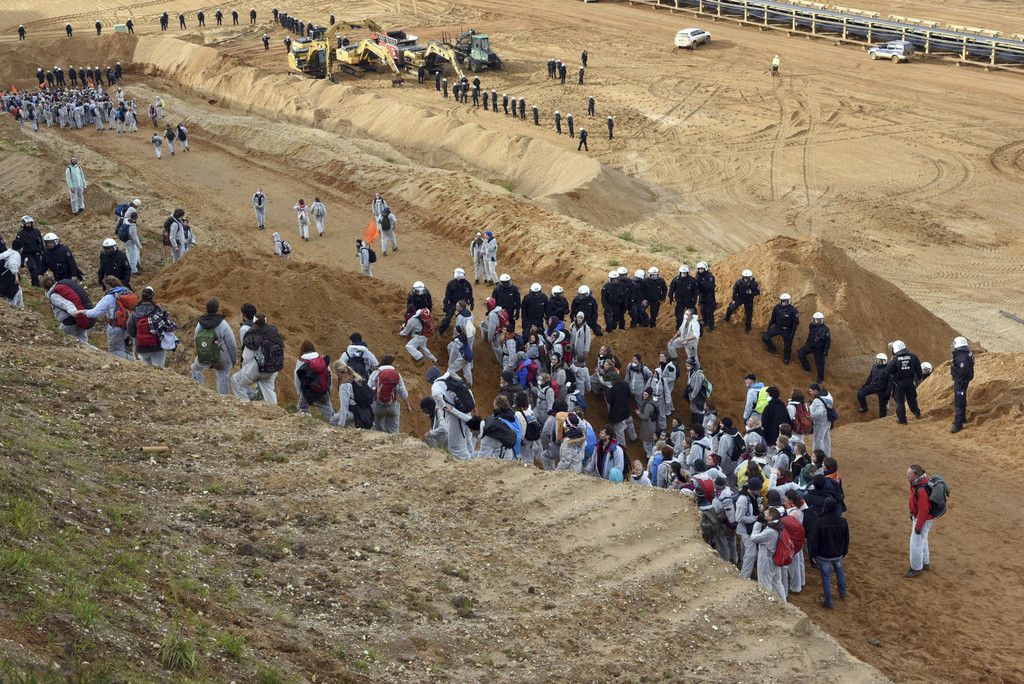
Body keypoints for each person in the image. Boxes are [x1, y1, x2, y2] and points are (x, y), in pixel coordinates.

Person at [187, 298, 238, 393]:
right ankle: (223, 399)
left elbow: (196, 339)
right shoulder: (223, 324)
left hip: (205, 355)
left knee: (195, 368)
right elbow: (231, 343)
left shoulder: (200, 323)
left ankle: (198, 391)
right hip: (221, 358)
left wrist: (201, 353)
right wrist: (233, 359)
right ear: (217, 309)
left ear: (206, 309)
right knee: (223, 374)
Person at [232, 313, 283, 403]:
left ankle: (246, 408)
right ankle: (274, 412)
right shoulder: (273, 332)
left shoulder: (252, 334)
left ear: (253, 321)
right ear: (266, 321)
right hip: (273, 368)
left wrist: (246, 368)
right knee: (268, 390)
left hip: (258, 367)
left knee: (236, 381)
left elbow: (248, 356)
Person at [807, 497, 849, 608]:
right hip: (837, 553)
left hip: (824, 555)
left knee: (826, 577)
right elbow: (846, 538)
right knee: (840, 572)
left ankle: (828, 601)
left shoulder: (819, 522)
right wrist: (844, 551)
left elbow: (815, 541)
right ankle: (843, 593)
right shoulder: (842, 521)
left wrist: (813, 554)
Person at [41, 275, 96, 347]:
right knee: (83, 343)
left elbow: (66, 304)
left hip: (71, 321)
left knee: (61, 338)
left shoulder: (54, 295)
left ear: (45, 288)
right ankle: (95, 354)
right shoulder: (62, 286)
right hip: (83, 317)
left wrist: (74, 312)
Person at [127, 286, 172, 367]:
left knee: (146, 370)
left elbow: (130, 327)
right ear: (152, 296)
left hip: (141, 346)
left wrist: (138, 336)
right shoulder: (159, 309)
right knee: (159, 370)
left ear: (142, 296)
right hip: (157, 346)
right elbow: (167, 326)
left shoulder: (134, 311)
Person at [294, 340, 334, 420]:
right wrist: (329, 388)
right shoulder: (320, 358)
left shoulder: (301, 360)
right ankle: (332, 423)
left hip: (307, 389)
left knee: (303, 408)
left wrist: (299, 391)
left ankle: (307, 424)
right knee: (326, 406)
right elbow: (328, 372)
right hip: (322, 388)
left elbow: (297, 375)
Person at [907, 464, 935, 577]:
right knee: (922, 540)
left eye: (910, 473)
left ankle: (916, 568)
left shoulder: (921, 489)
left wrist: (918, 526)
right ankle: (925, 563)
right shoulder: (918, 484)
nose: (907, 475)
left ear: (916, 475)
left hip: (922, 520)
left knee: (915, 544)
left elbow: (923, 509)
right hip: (922, 518)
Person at [369, 355, 410, 433]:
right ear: (392, 363)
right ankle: (395, 443)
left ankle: (381, 443)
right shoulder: (396, 374)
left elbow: (369, 388)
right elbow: (402, 390)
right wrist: (408, 405)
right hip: (392, 406)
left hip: (378, 406)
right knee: (394, 430)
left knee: (378, 431)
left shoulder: (376, 373)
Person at [887, 340, 922, 424]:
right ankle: (916, 412)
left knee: (900, 402)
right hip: (910, 382)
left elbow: (888, 370)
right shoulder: (913, 357)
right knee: (912, 399)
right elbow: (919, 371)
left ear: (895, 349)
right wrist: (919, 379)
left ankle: (902, 420)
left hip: (899, 384)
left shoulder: (895, 360)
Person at [762, 293, 799, 364]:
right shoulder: (777, 307)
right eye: (783, 301)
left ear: (789, 301)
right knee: (765, 337)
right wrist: (768, 328)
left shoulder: (793, 311)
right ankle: (773, 349)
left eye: (786, 301)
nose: (784, 303)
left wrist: (792, 335)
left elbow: (795, 324)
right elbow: (773, 318)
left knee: (787, 346)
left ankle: (786, 358)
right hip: (777, 327)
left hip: (787, 330)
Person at [797, 312, 830, 383]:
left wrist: (825, 351)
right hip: (811, 345)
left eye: (818, 320)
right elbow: (810, 335)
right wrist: (807, 342)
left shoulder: (825, 330)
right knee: (800, 353)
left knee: (820, 364)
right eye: (815, 320)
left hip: (819, 349)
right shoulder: (811, 325)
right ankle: (807, 367)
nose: (817, 321)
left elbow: (827, 342)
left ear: (822, 320)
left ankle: (820, 379)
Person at [950, 336, 974, 433]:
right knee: (962, 398)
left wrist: (958, 379)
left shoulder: (962, 357)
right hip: (964, 380)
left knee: (959, 401)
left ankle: (958, 424)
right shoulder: (967, 353)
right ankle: (962, 418)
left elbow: (962, 370)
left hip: (960, 381)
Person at [12, 216, 44, 286]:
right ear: (23, 224)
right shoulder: (20, 234)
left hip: (37, 254)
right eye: (27, 223)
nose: (29, 225)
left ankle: (38, 284)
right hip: (27, 254)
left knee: (39, 270)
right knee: (33, 269)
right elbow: (17, 246)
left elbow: (41, 243)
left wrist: (43, 252)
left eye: (30, 223)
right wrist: (21, 260)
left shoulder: (36, 231)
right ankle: (35, 285)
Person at [807, 383, 834, 456]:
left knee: (817, 440)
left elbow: (819, 412)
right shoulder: (828, 395)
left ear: (816, 390)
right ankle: (827, 455)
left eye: (811, 391)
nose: (810, 393)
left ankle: (816, 457)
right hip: (828, 420)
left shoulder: (817, 400)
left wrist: (810, 416)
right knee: (826, 439)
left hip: (820, 423)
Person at [0, 243, 22, 309]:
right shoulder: (16, 255)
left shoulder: (9, 251)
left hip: (4, 272)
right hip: (10, 274)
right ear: (20, 248)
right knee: (13, 289)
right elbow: (13, 264)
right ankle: (13, 305)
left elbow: (1, 256)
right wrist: (16, 276)